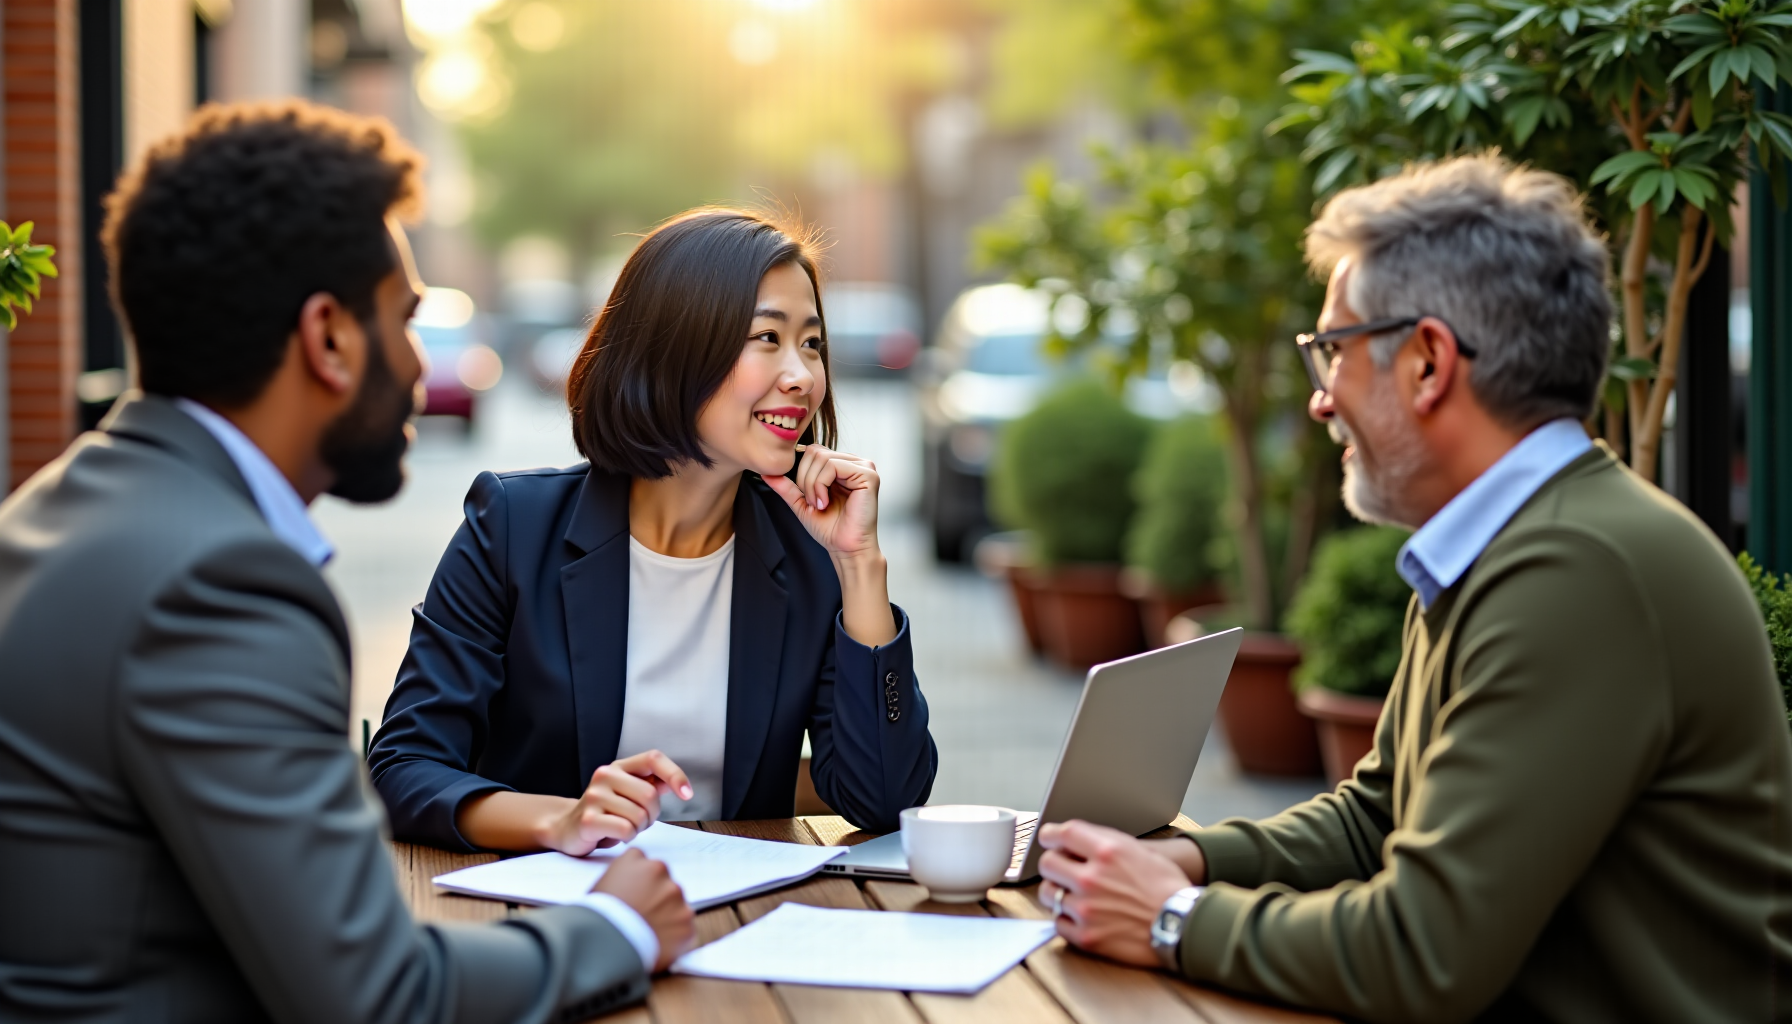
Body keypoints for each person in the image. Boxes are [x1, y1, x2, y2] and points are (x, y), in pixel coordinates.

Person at [1032, 155, 1792, 1022]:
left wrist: (1170, 920)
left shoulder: (1575, 572)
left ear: (1429, 362)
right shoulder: (1507, 543)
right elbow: (1373, 820)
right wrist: (1193, 864)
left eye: (1332, 353)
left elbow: (1424, 952)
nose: (1319, 401)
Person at [0, 101, 694, 1023]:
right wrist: (616, 929)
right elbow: (377, 999)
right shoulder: (218, 587)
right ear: (328, 338)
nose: (418, 365)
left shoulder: (62, 505)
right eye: (404, 320)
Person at [367, 208, 936, 856]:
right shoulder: (514, 529)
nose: (802, 378)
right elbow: (406, 768)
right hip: (538, 912)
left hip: (742, 918)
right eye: (767, 339)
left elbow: (886, 799)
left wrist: (860, 566)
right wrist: (559, 821)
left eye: (811, 344)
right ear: (674, 350)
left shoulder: (812, 554)